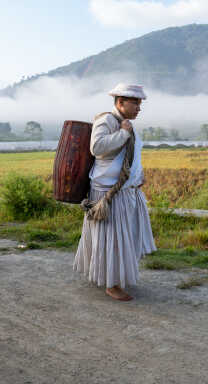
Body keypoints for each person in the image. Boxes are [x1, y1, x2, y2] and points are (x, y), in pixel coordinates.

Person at [74, 84, 156, 301]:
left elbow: (131, 156)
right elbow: (97, 147)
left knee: (121, 236)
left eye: (140, 104)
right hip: (107, 192)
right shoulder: (108, 121)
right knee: (113, 239)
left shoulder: (127, 125)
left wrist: (138, 176)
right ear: (120, 102)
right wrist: (122, 134)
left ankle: (108, 275)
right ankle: (112, 284)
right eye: (135, 103)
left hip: (125, 190)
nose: (139, 108)